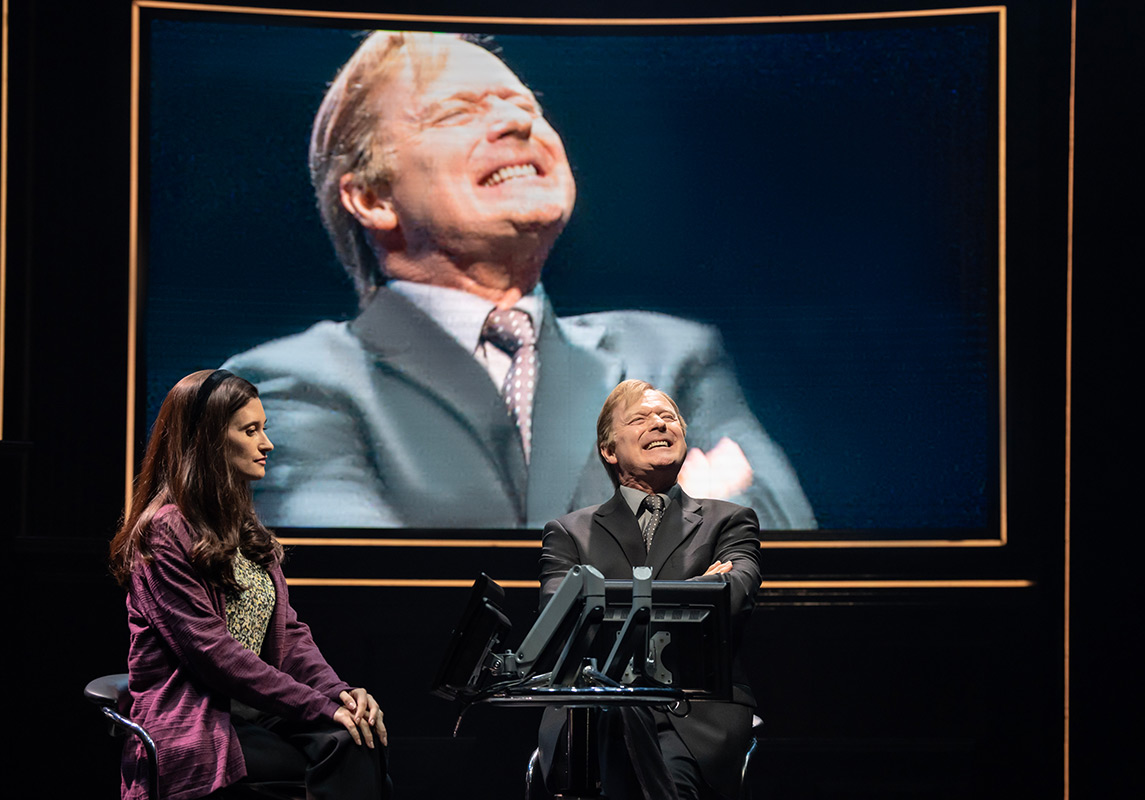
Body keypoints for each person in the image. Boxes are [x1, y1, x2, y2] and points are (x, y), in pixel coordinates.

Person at [224, 31, 816, 531]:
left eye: (526, 106)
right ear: (374, 197)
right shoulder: (288, 384)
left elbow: (784, 547)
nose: (516, 121)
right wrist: (667, 530)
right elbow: (372, 593)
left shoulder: (671, 357)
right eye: (458, 112)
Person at [109, 369, 391, 800]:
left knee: (358, 737)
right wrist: (319, 706)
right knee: (341, 750)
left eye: (264, 428)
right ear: (208, 440)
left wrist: (341, 695)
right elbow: (214, 654)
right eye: (250, 430)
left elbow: (290, 637)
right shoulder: (164, 531)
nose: (267, 444)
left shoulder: (243, 528)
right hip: (200, 717)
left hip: (256, 712)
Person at [538, 379, 761, 800]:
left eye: (668, 417)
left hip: (692, 718)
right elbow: (561, 618)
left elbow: (732, 599)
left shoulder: (729, 521)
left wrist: (609, 600)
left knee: (668, 776)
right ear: (609, 450)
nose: (660, 424)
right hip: (591, 719)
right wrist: (695, 590)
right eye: (640, 419)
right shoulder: (569, 532)